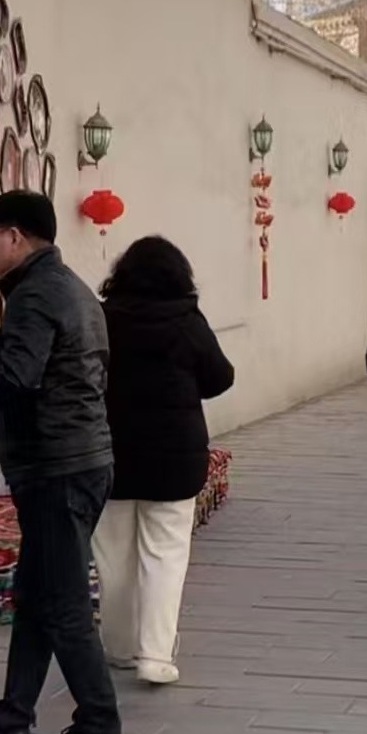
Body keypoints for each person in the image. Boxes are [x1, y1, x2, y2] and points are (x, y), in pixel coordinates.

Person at [0, 191, 124, 734]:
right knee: (37, 599)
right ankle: (11, 721)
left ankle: (99, 726)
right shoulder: (70, 288)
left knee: (62, 604)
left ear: (15, 237)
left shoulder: (36, 294)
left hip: (57, 467)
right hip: (74, 459)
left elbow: (18, 378)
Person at [91, 237, 234, 684]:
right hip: (174, 456)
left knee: (112, 557)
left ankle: (118, 647)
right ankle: (154, 655)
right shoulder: (187, 321)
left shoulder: (102, 319)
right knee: (165, 556)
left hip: (111, 452)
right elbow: (220, 377)